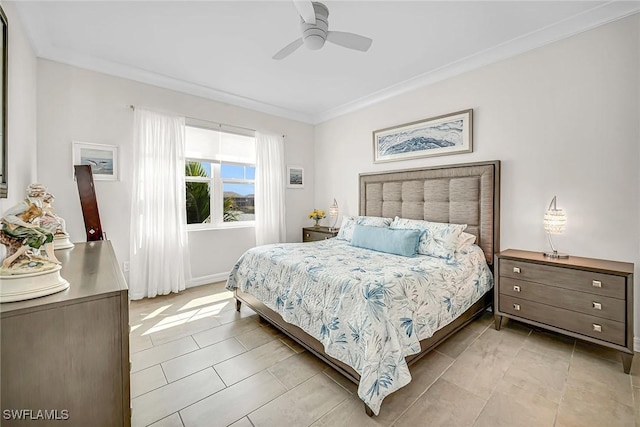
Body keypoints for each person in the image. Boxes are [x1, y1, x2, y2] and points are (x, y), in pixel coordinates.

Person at [1, 183, 60, 269]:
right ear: (38, 194)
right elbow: (6, 215)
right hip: (13, 227)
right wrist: (26, 224)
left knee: (49, 234)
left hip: (26, 226)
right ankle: (10, 259)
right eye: (43, 193)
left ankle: (52, 258)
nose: (45, 195)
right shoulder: (25, 204)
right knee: (38, 236)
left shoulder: (38, 203)